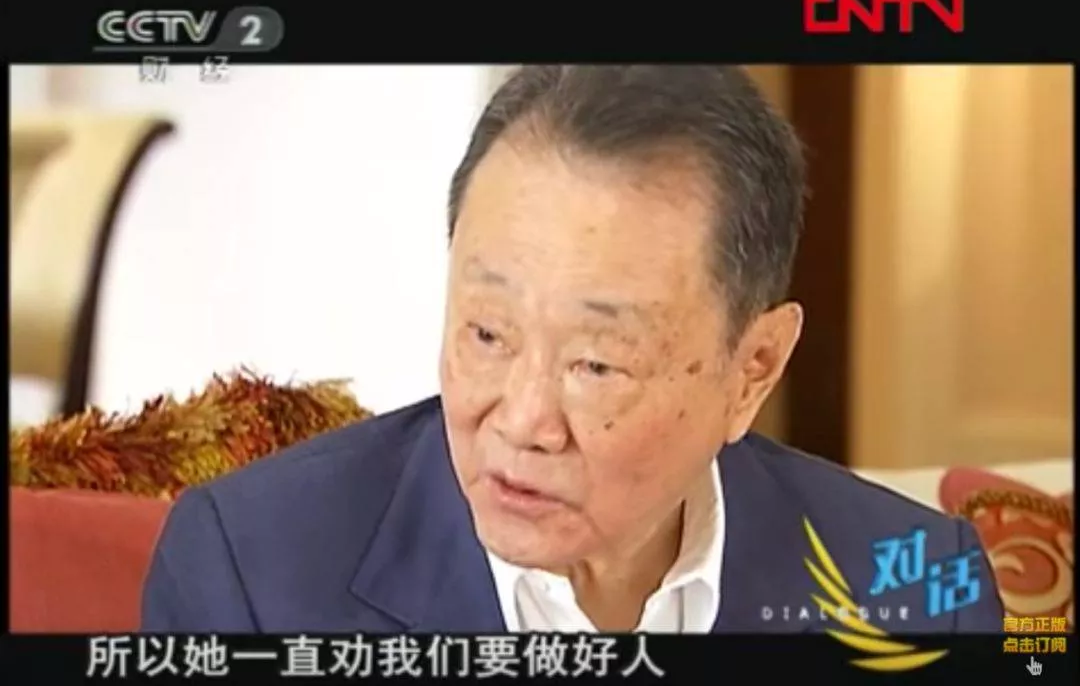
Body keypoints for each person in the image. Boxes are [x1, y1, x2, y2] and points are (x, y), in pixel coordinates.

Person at [141, 65, 1002, 634]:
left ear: (754, 371)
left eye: (596, 363)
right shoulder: (250, 573)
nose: (521, 423)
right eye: (487, 334)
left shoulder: (920, 591)